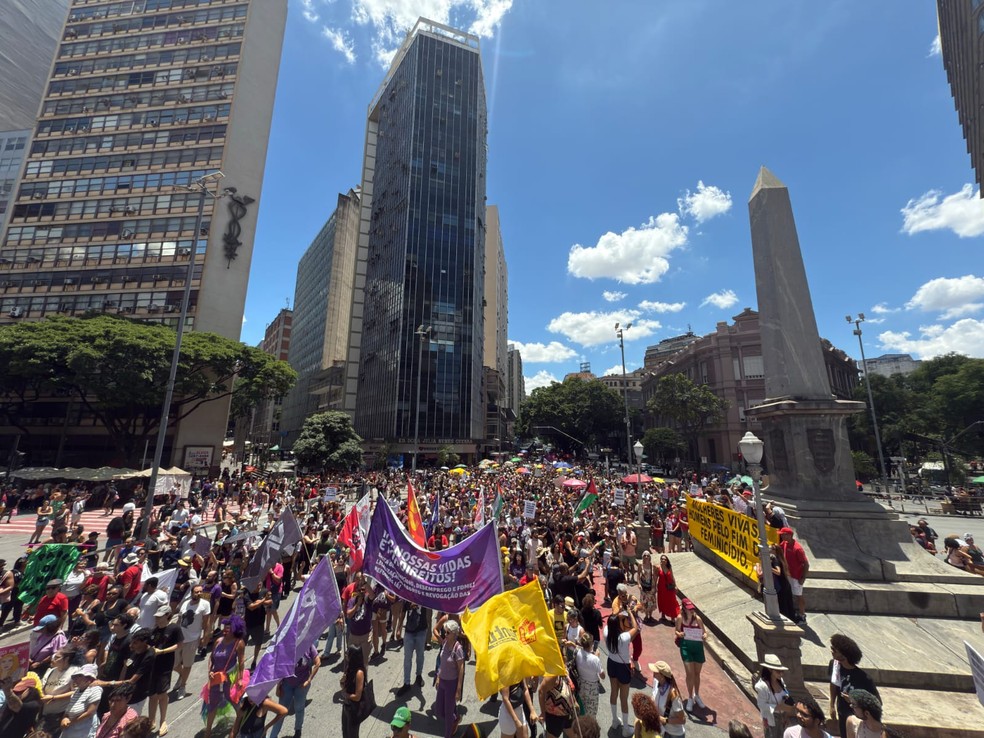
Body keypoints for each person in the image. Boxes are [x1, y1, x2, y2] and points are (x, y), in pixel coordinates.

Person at [827, 634, 879, 738]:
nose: (831, 651)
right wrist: (832, 705)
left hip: (858, 720)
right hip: (843, 715)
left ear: (844, 654)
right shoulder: (835, 665)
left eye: (834, 649)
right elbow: (834, 684)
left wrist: (853, 700)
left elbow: (877, 703)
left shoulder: (864, 679)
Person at [202, 615, 246, 738]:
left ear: (235, 630)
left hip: (229, 679)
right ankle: (208, 732)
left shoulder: (238, 643)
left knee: (234, 702)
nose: (225, 631)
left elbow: (241, 662)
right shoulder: (218, 641)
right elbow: (211, 658)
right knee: (212, 704)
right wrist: (210, 671)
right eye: (224, 628)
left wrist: (240, 679)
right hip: (216, 678)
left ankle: (239, 726)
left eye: (228, 629)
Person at [268, 644, 320, 738]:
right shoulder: (286, 646)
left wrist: (309, 680)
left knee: (299, 708)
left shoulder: (309, 645)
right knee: (281, 711)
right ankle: (273, 736)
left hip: (302, 685)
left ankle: (298, 730)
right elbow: (280, 667)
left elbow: (318, 662)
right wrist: (278, 686)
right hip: (286, 684)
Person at [604, 608, 639, 736]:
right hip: (623, 668)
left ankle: (614, 720)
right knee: (623, 698)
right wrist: (629, 612)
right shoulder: (624, 638)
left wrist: (616, 615)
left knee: (614, 692)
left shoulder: (606, 632)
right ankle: (625, 728)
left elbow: (611, 622)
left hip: (611, 664)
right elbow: (635, 627)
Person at [148, 607, 181, 735]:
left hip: (165, 665)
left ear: (167, 615)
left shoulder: (174, 629)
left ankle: (163, 721)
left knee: (162, 694)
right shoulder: (154, 630)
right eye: (156, 616)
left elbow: (179, 645)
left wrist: (162, 651)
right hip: (153, 665)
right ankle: (151, 720)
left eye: (160, 616)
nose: (157, 618)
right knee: (152, 695)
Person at [174, 583, 210, 700]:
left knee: (188, 664)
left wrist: (204, 637)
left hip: (192, 639)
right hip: (180, 638)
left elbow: (206, 623)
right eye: (197, 592)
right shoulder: (185, 603)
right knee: (174, 663)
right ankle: (181, 675)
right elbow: (179, 619)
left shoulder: (205, 605)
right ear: (192, 593)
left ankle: (182, 686)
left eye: (200, 592)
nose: (199, 593)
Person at [674, 598, 706, 711]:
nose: (691, 611)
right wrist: (680, 634)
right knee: (689, 674)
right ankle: (690, 697)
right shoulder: (680, 618)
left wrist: (705, 636)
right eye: (689, 609)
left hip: (698, 648)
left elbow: (705, 632)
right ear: (684, 609)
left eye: (692, 609)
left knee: (697, 673)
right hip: (686, 647)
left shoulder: (698, 619)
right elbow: (676, 631)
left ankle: (696, 695)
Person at [436, 620, 465, 738]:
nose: (445, 634)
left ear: (454, 633)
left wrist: (458, 689)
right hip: (442, 681)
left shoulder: (458, 648)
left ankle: (448, 734)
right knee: (439, 710)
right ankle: (455, 718)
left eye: (447, 632)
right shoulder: (444, 643)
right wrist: (438, 676)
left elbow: (461, 669)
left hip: (451, 684)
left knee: (447, 715)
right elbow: (441, 662)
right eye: (444, 632)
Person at [117, 628, 155, 715]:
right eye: (132, 642)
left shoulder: (149, 655)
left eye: (135, 643)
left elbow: (133, 680)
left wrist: (114, 684)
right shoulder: (133, 651)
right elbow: (125, 667)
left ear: (144, 642)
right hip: (124, 692)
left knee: (132, 720)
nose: (131, 645)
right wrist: (118, 688)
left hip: (137, 695)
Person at [754, 654, 794, 738]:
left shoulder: (781, 681)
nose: (781, 674)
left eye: (782, 671)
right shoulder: (762, 686)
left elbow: (785, 695)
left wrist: (786, 714)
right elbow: (762, 705)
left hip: (783, 718)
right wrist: (780, 707)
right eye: (778, 671)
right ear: (770, 670)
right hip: (771, 719)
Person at [60, 664, 103, 738]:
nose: (76, 679)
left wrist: (71, 722)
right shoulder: (76, 692)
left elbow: (90, 712)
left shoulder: (96, 689)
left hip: (84, 730)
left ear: (89, 678)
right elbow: (68, 710)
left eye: (79, 676)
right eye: (75, 677)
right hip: (70, 728)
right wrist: (65, 718)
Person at [778, 527, 809, 623]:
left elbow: (806, 564)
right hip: (788, 575)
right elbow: (778, 549)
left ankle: (802, 615)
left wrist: (803, 577)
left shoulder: (798, 549)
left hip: (797, 577)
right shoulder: (784, 544)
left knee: (799, 595)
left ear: (790, 535)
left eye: (783, 534)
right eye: (781, 534)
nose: (781, 536)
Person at [397, 602, 428, 695]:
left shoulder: (424, 595)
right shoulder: (407, 596)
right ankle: (406, 683)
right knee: (407, 657)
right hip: (409, 631)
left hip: (421, 630)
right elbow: (402, 613)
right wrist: (398, 629)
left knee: (420, 655)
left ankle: (419, 675)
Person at [649, 661, 686, 737]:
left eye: (656, 672)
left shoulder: (673, 695)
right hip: (661, 730)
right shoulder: (656, 683)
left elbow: (682, 719)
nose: (653, 673)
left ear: (662, 676)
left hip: (674, 734)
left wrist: (665, 720)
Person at [0, 673, 44, 738]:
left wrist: (8, 691)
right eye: (15, 692)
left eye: (20, 692)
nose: (16, 693)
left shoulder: (34, 705)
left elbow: (17, 706)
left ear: (29, 690)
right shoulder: (9, 701)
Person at [574, 631, 604, 717]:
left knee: (582, 707)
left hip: (581, 684)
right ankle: (589, 727)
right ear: (591, 644)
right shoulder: (595, 659)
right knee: (591, 710)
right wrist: (597, 657)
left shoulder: (578, 652)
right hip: (592, 687)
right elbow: (603, 676)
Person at [340, 643, 366, 738]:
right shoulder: (349, 668)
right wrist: (342, 682)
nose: (346, 654)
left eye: (348, 652)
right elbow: (344, 687)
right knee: (345, 732)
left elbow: (357, 697)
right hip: (347, 706)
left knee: (352, 735)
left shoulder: (359, 673)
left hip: (354, 709)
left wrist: (345, 694)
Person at [539, 673, 576, 738]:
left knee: (574, 735)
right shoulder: (553, 674)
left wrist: (574, 701)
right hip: (555, 716)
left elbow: (568, 687)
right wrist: (543, 713)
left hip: (567, 712)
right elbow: (541, 691)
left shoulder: (563, 668)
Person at [656, 555, 680, 622]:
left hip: (670, 586)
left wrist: (675, 585)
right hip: (661, 587)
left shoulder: (669, 567)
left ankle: (673, 617)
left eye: (665, 559)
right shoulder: (658, 568)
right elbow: (655, 578)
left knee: (672, 601)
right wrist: (654, 587)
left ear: (667, 561)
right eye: (662, 559)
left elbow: (672, 576)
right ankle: (663, 615)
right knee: (662, 600)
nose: (663, 560)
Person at [638, 552, 658, 623]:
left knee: (651, 602)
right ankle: (646, 616)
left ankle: (650, 615)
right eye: (644, 556)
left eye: (648, 556)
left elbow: (655, 577)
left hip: (651, 586)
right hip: (644, 586)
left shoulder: (652, 566)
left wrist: (655, 586)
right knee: (645, 602)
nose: (646, 557)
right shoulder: (640, 565)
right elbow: (638, 575)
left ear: (650, 557)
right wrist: (639, 584)